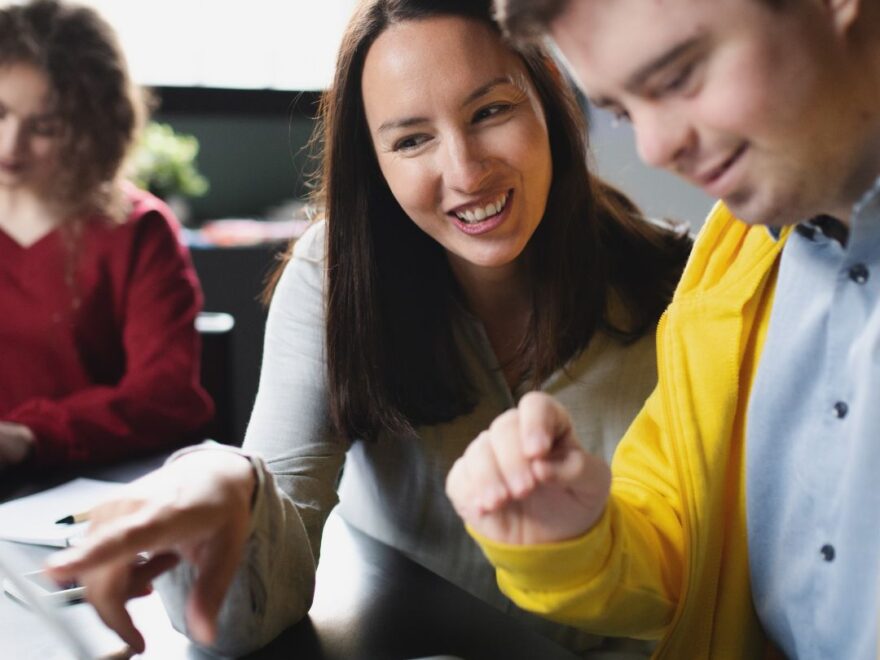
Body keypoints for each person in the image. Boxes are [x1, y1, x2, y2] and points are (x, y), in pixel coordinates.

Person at [44, 0, 691, 657]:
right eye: (412, 140)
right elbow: (254, 607)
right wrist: (227, 486)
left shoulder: (687, 286)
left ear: (550, 104)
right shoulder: (333, 276)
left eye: (491, 111)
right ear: (374, 163)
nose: (465, 172)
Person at [445, 0, 880, 658]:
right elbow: (690, 545)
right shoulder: (730, 263)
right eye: (622, 111)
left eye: (678, 78)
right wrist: (572, 535)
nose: (653, 148)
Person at [0, 0, 213, 472]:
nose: (10, 146)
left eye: (44, 127)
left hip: (91, 488)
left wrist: (27, 436)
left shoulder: (138, 230)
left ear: (88, 129)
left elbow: (166, 395)